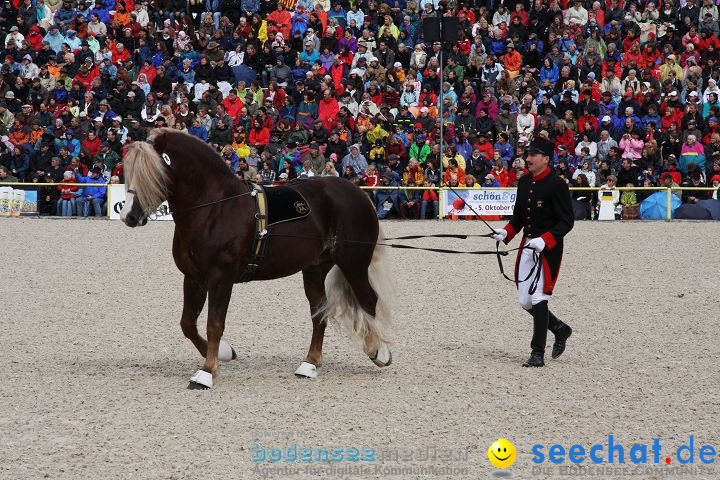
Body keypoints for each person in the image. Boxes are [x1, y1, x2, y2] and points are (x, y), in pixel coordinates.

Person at [491, 136, 574, 368]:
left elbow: (567, 222)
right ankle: (560, 328)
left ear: (546, 159)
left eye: (533, 155)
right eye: (527, 155)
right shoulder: (525, 182)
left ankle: (537, 353)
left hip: (547, 249)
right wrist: (506, 232)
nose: (527, 159)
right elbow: (519, 217)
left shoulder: (557, 184)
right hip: (527, 246)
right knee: (525, 301)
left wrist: (545, 240)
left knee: (539, 298)